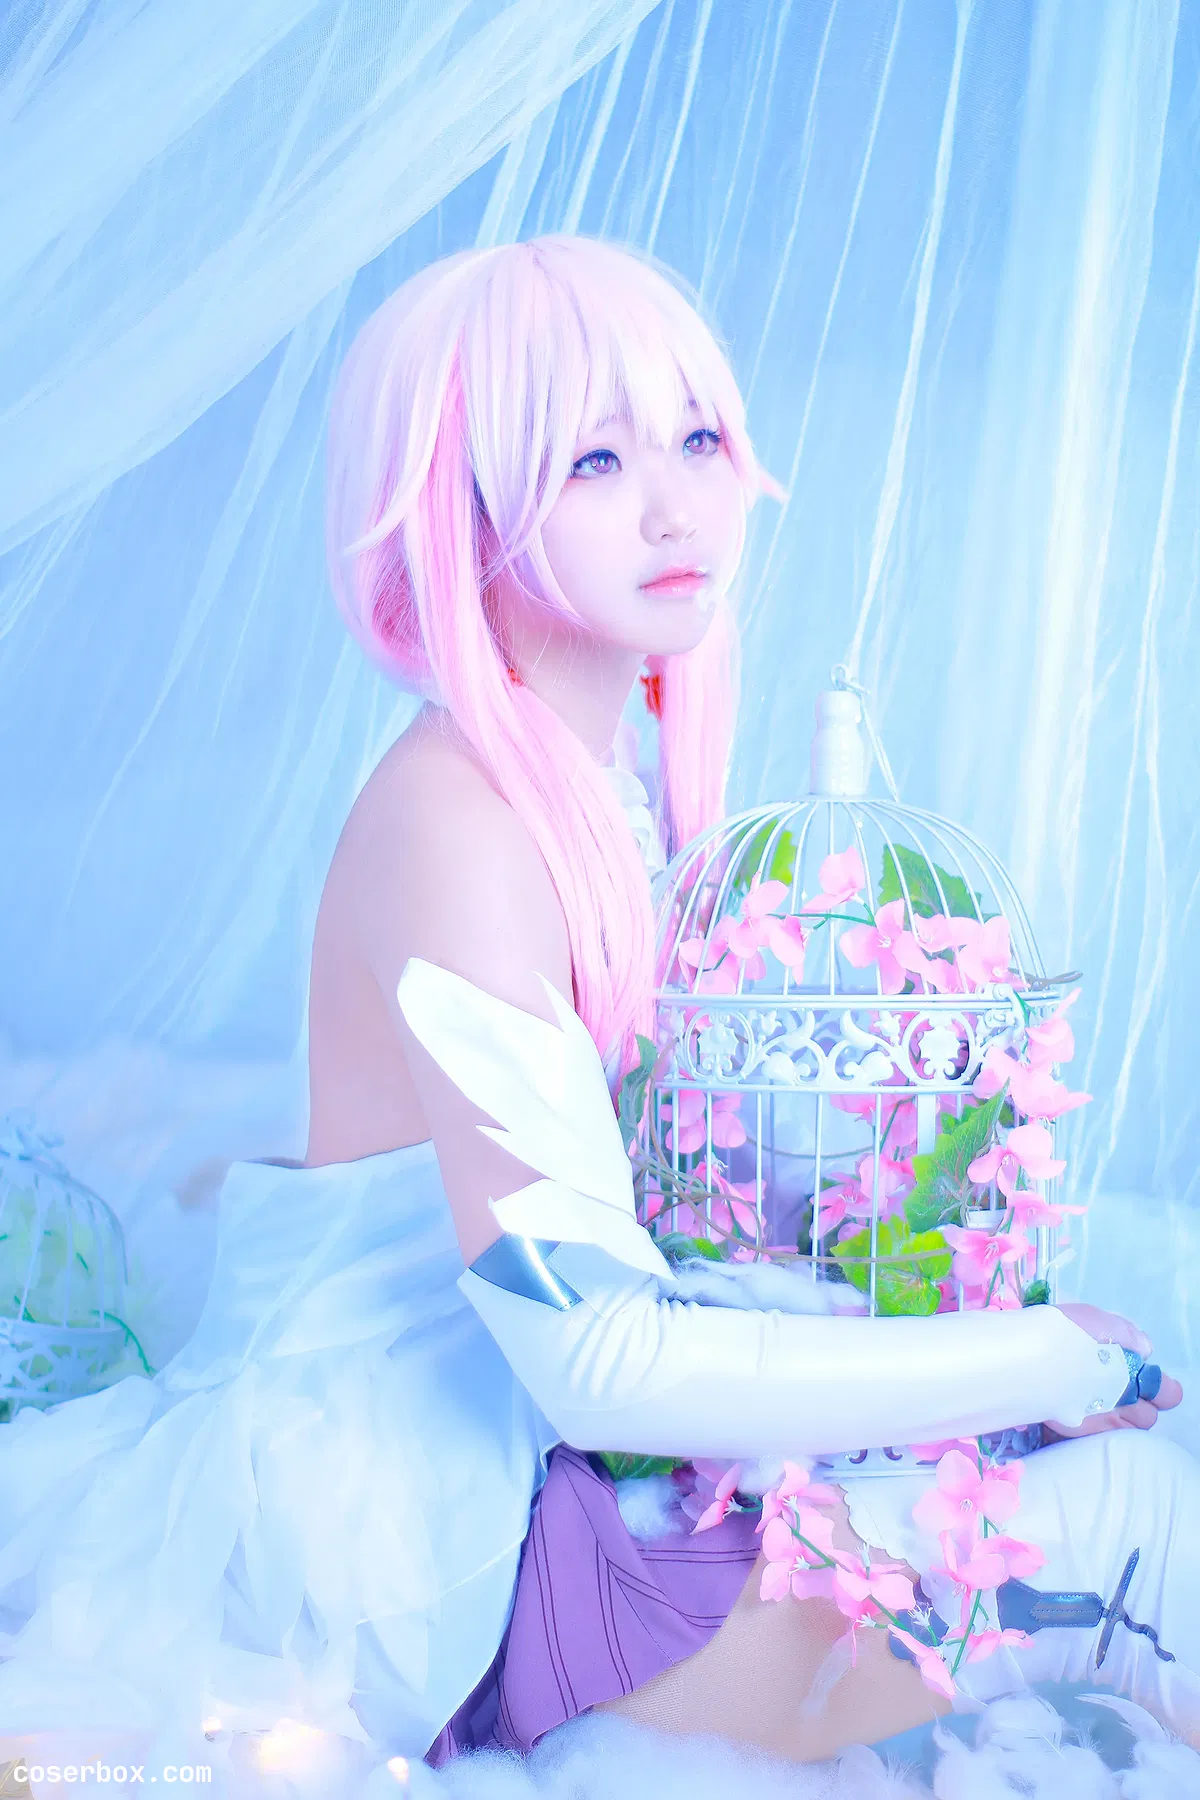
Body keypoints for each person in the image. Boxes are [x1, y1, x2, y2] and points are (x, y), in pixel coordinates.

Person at [0, 236, 1195, 1778]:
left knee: (1098, 1483)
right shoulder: (457, 824)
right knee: (1143, 1519)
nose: (678, 505)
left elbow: (647, 1257)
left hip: (552, 1468)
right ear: (466, 513)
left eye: (698, 439)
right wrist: (1045, 1358)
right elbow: (599, 1359)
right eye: (593, 460)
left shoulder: (589, 781)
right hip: (434, 1544)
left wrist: (985, 1378)